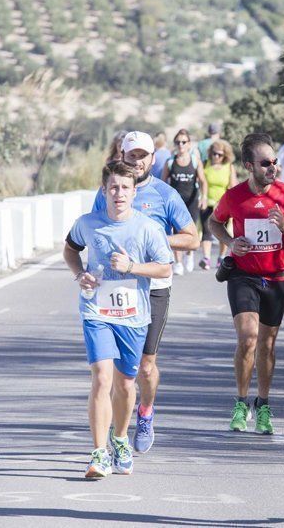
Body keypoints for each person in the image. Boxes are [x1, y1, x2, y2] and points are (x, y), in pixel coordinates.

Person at [64, 161, 174, 478]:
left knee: (126, 384)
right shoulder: (88, 223)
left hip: (133, 315)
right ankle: (99, 454)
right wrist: (79, 274)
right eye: (113, 187)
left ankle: (121, 438)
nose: (119, 193)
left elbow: (164, 268)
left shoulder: (147, 228)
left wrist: (131, 267)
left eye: (125, 188)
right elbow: (70, 250)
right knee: (102, 378)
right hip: (96, 310)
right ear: (104, 190)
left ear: (134, 191)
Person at [92, 131, 199, 454]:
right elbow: (93, 230)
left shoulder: (165, 195)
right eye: (132, 155)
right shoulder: (109, 190)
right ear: (121, 156)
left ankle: (146, 412)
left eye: (143, 155)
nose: (137, 161)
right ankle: (115, 430)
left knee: (145, 367)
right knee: (110, 369)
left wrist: (150, 240)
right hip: (115, 287)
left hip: (153, 287)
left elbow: (192, 238)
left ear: (154, 158)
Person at [208, 133, 284, 435]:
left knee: (266, 344)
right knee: (248, 338)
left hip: (276, 277)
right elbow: (214, 222)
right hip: (243, 276)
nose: (273, 168)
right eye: (266, 163)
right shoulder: (235, 196)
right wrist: (229, 241)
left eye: (275, 162)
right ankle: (240, 403)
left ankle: (262, 405)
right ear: (249, 165)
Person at [161, 129, 207, 274]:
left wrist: (204, 197)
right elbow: (162, 184)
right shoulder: (170, 162)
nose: (180, 145)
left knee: (190, 231)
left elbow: (203, 181)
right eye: (178, 142)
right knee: (176, 231)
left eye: (183, 142)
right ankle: (179, 262)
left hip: (192, 200)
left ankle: (189, 254)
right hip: (175, 203)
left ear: (189, 144)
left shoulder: (195, 161)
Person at [199, 139, 238, 270]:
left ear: (225, 155)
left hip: (223, 205)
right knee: (206, 231)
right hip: (207, 202)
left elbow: (232, 187)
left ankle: (221, 257)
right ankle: (206, 258)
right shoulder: (205, 164)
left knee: (223, 231)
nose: (216, 156)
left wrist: (223, 203)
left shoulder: (229, 167)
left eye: (220, 154)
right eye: (214, 153)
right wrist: (202, 197)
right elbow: (200, 183)